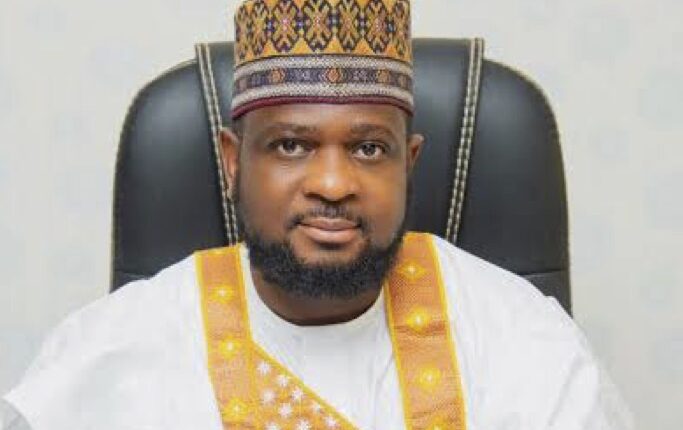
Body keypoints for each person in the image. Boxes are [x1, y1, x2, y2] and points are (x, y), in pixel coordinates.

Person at [1, 0, 633, 429]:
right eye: (291, 146)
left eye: (369, 149)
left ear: (409, 164)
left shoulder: (523, 343)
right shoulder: (114, 353)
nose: (333, 184)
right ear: (233, 161)